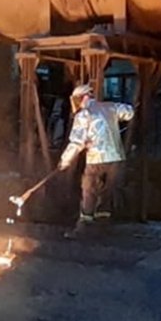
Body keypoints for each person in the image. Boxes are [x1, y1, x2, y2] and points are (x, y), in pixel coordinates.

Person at [58, 82, 134, 237]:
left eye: (77, 99)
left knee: (89, 190)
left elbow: (77, 142)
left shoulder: (83, 115)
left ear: (84, 97)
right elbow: (129, 112)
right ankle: (103, 226)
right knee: (107, 192)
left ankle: (84, 226)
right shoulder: (110, 107)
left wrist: (65, 160)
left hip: (96, 159)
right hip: (116, 158)